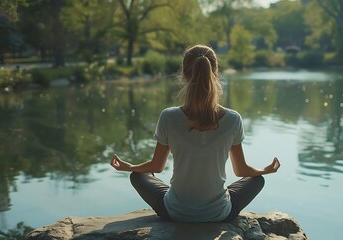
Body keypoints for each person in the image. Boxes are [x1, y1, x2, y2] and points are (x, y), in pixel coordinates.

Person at [110, 44, 280, 222]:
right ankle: (217, 199)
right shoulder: (233, 119)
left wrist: (129, 167)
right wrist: (265, 170)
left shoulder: (169, 117)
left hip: (175, 213)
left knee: (138, 175)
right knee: (257, 180)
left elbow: (156, 166)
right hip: (219, 214)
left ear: (184, 74)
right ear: (215, 73)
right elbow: (241, 170)